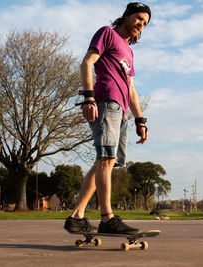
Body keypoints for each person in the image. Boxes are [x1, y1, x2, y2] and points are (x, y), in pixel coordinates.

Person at [64, 2, 151, 235]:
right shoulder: (107, 33)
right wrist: (88, 98)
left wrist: (140, 119)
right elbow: (87, 62)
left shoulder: (129, 51)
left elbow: (131, 87)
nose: (141, 25)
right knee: (105, 158)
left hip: (122, 110)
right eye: (139, 19)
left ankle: (77, 217)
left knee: (109, 161)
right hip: (106, 102)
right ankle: (107, 218)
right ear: (126, 16)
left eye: (145, 23)